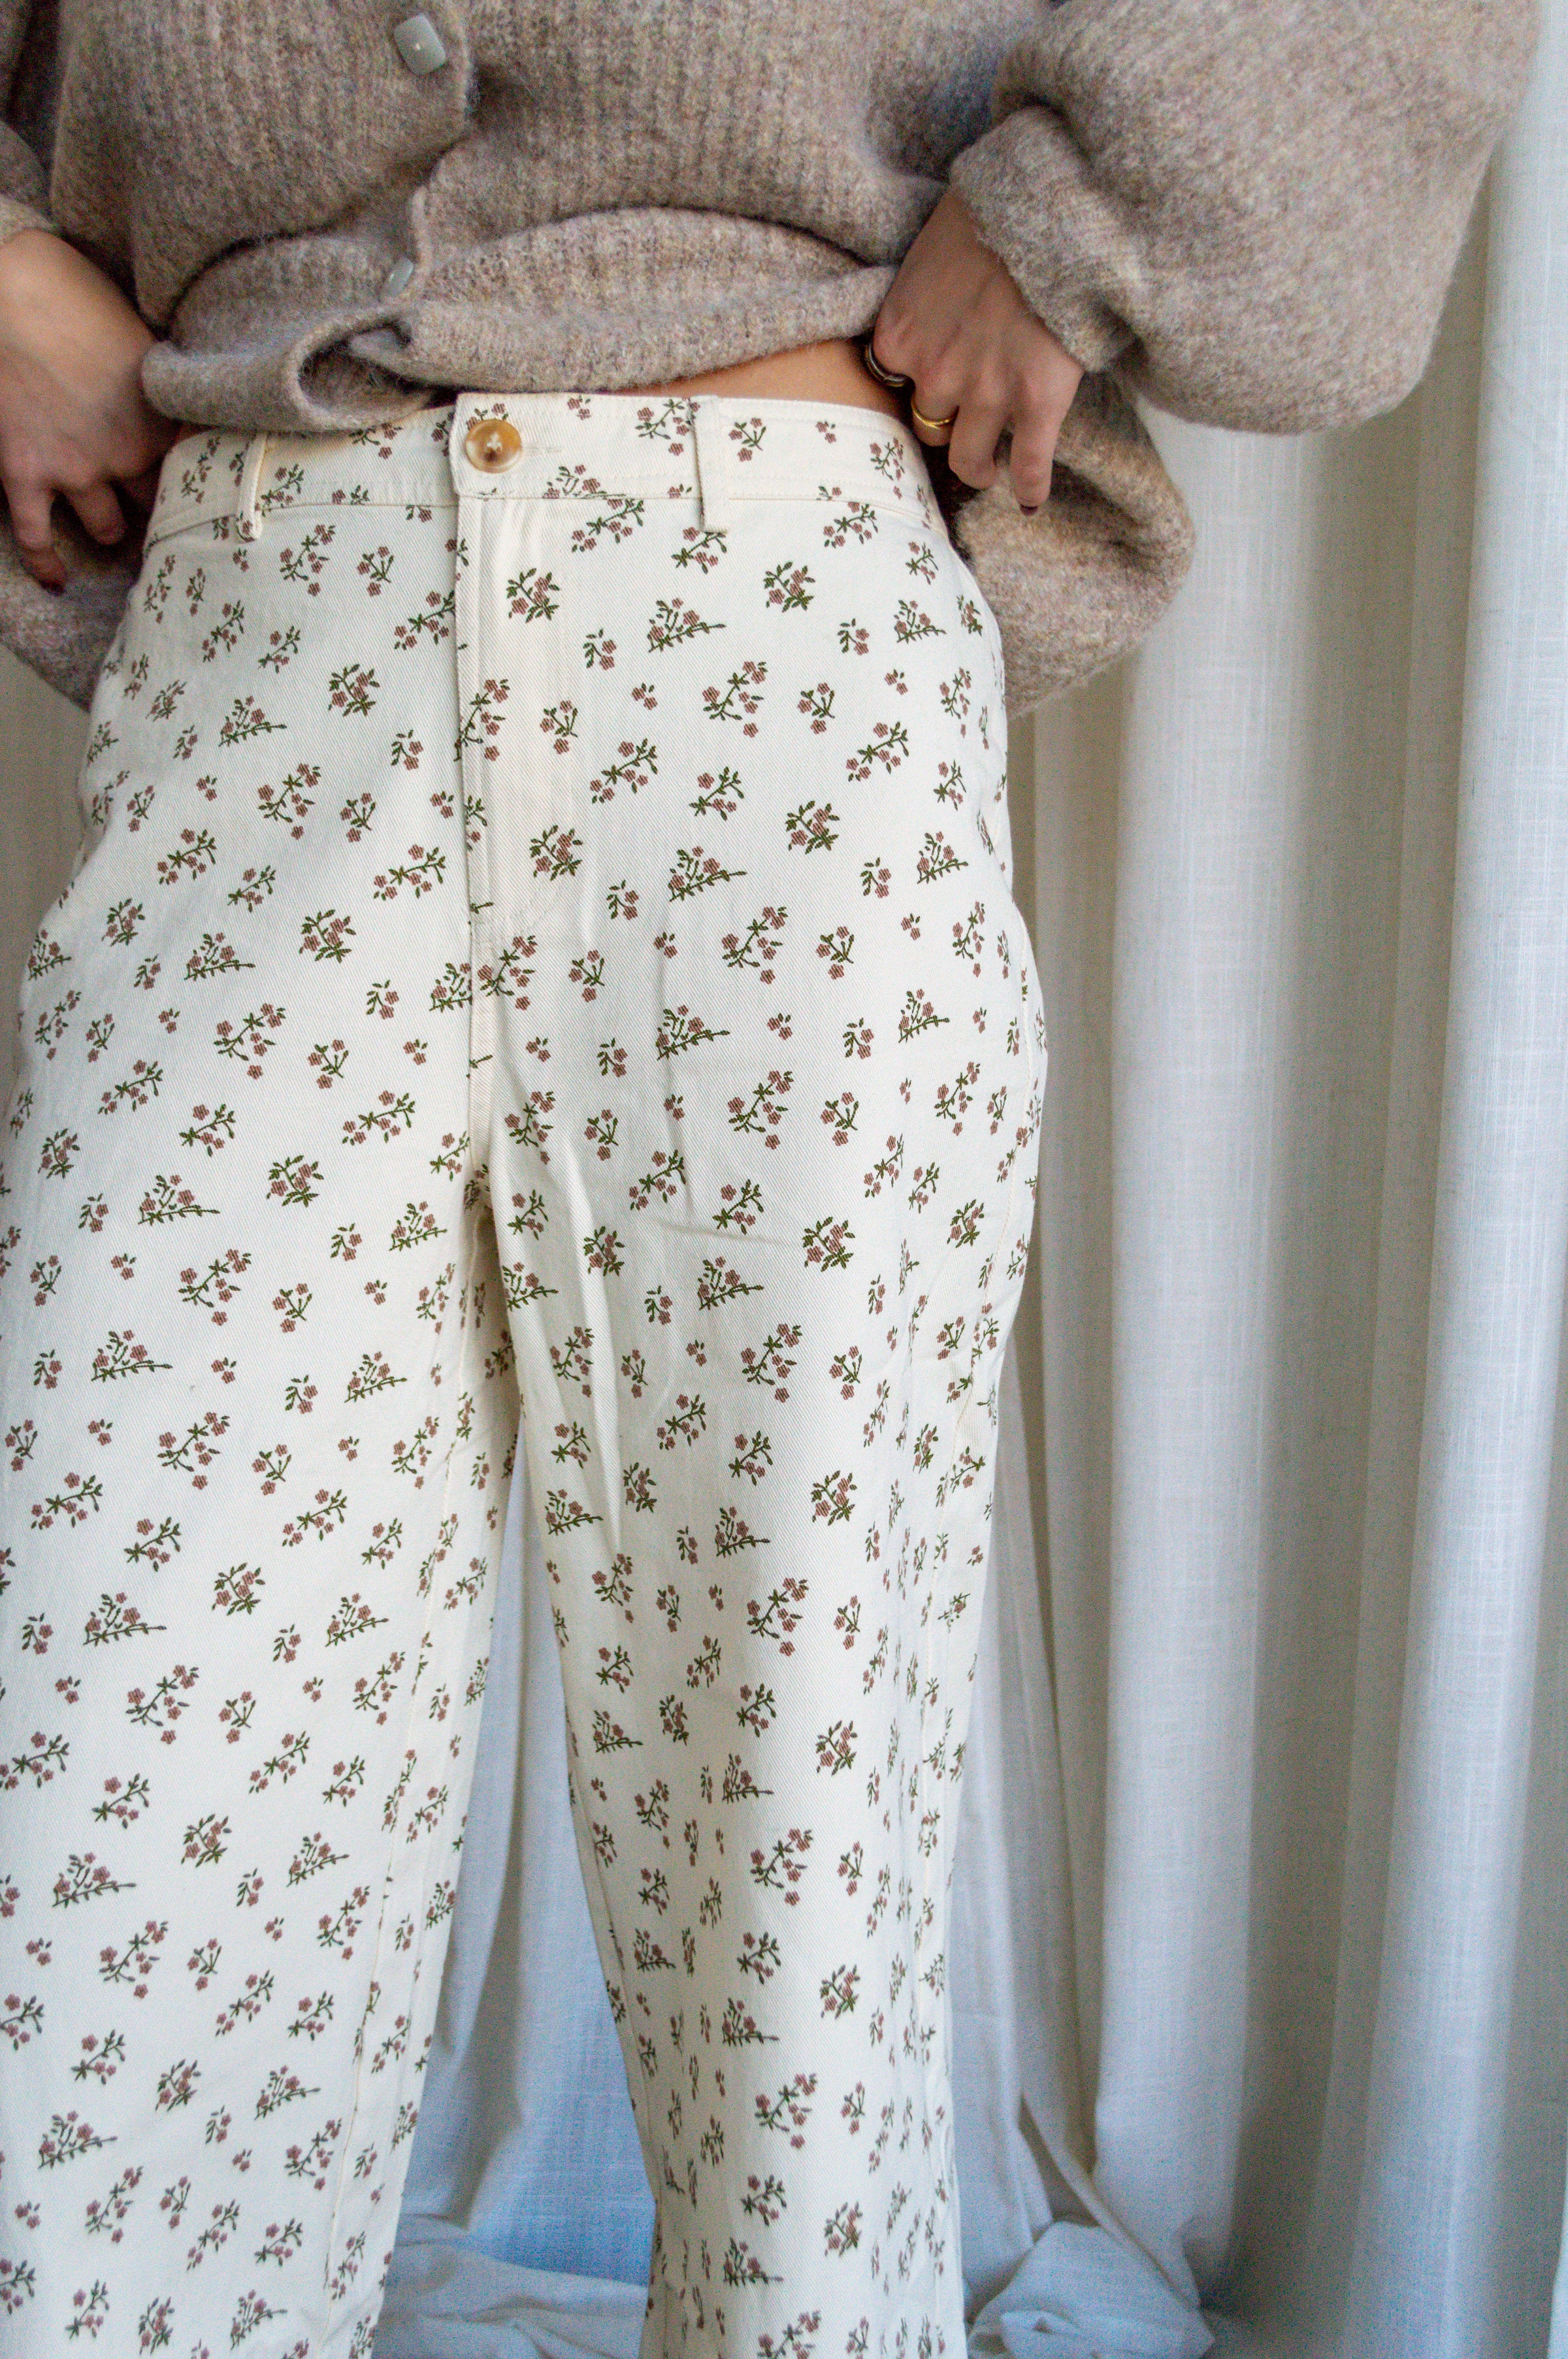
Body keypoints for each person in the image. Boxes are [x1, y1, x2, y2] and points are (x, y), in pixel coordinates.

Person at [0, 7, 1535, 2356]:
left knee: (792, 1873)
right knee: (102, 1819)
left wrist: (1087, 211)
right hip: (265, 650)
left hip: (774, 659)